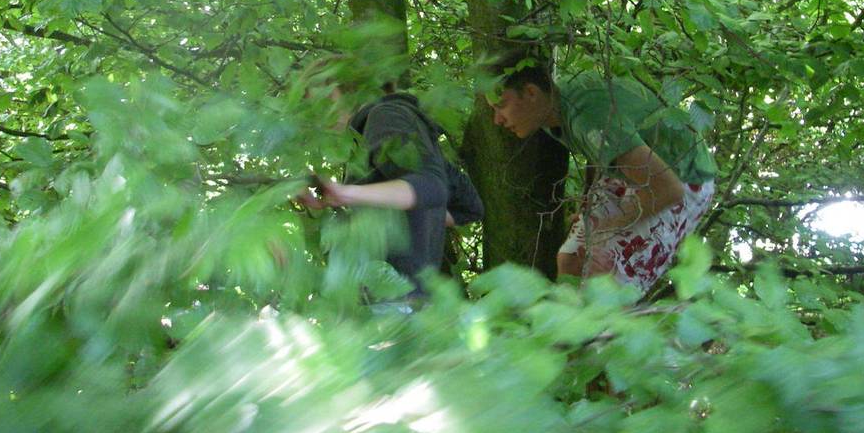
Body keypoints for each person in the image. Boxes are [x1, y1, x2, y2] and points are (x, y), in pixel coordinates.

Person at [490, 64, 716, 294]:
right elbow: (601, 147)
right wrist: (588, 203)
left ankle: (608, 326)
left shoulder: (585, 114)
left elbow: (668, 190)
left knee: (608, 276)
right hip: (631, 168)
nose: (497, 119)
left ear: (531, 93)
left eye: (501, 106)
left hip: (681, 176)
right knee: (570, 262)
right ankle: (571, 324)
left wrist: (607, 229)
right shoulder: (551, 110)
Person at [299, 65, 483, 294]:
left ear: (349, 89)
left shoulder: (383, 116)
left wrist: (344, 193)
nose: (317, 113)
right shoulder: (387, 130)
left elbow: (431, 188)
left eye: (322, 99)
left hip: (399, 306)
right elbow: (468, 206)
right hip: (407, 303)